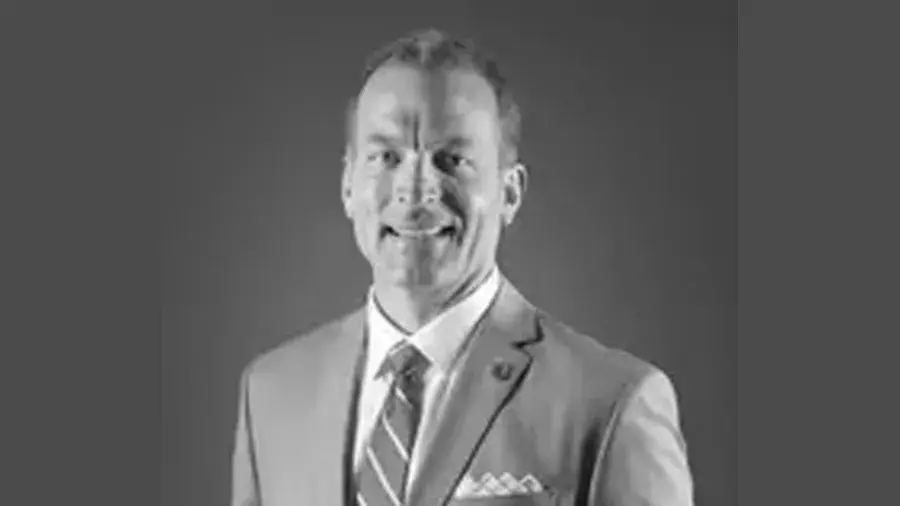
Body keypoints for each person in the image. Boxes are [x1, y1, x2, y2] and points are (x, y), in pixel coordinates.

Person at [231, 28, 694, 506]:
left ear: (510, 192)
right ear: (349, 185)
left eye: (451, 159)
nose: (414, 188)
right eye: (385, 156)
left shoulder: (613, 403)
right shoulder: (270, 396)